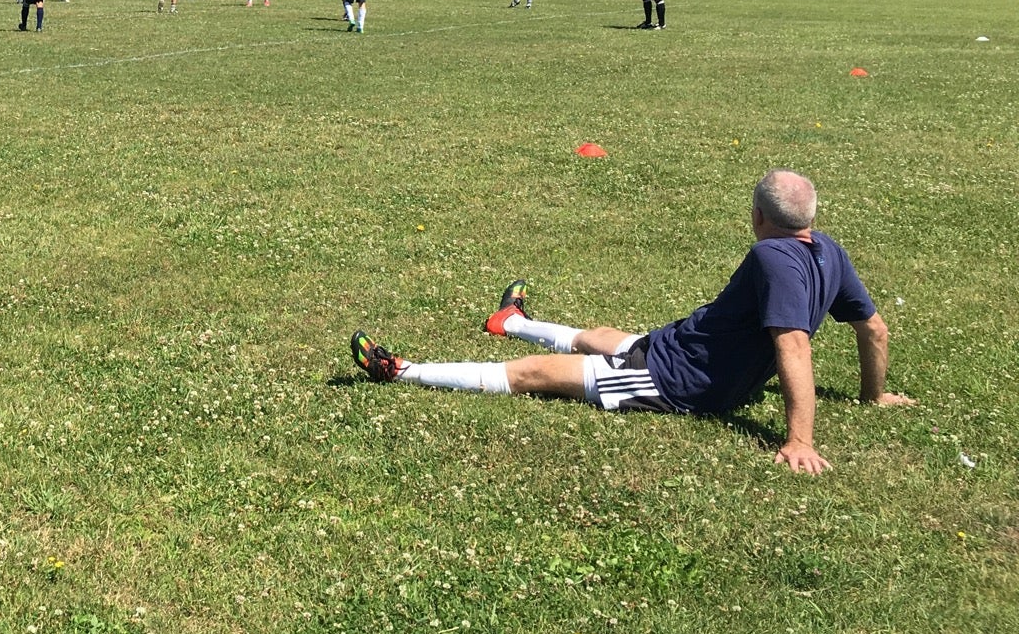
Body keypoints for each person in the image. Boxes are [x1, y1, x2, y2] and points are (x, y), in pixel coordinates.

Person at [350, 170, 913, 474]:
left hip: (676, 381)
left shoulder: (770, 256)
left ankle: (399, 370)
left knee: (535, 374)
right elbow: (875, 330)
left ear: (758, 217)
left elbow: (792, 344)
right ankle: (512, 320)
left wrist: (799, 438)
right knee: (604, 336)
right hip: (678, 343)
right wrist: (872, 395)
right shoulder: (830, 252)